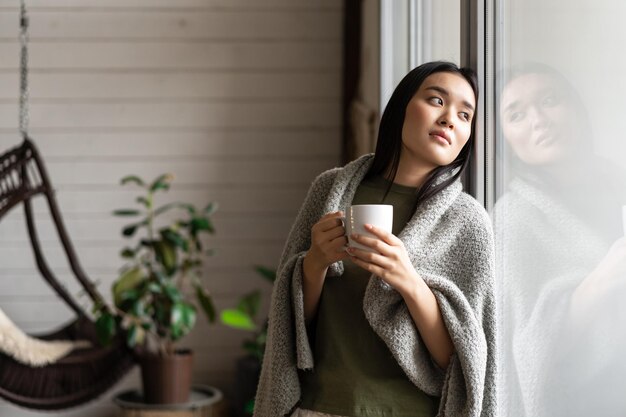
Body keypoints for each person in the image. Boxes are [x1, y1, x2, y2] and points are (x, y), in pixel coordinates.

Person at [254, 61, 496, 417]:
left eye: (465, 115)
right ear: (400, 107)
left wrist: (409, 282)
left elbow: (460, 361)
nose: (449, 119)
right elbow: (293, 328)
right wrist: (314, 263)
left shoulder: (467, 222)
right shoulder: (331, 189)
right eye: (436, 100)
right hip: (319, 407)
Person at [494, 63, 626, 417]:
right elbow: (526, 349)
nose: (539, 120)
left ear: (577, 110)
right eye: (516, 114)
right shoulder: (513, 218)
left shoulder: (618, 183)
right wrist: (608, 276)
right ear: (504, 138)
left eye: (550, 100)